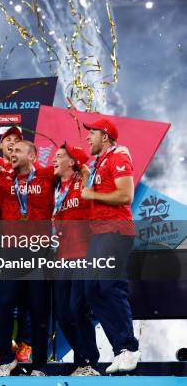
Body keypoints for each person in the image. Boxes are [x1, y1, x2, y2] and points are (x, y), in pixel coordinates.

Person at [0, 140, 55, 376]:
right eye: (10, 150)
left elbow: (75, 167)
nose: (11, 153)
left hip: (40, 253)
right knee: (3, 305)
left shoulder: (48, 175)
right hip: (11, 254)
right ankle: (7, 359)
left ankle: (39, 365)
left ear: (33, 156)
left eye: (18, 150)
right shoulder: (4, 179)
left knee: (39, 311)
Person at [81, 118, 140, 374]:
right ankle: (120, 350)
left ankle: (129, 347)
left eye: (91, 133)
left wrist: (91, 193)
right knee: (93, 291)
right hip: (99, 234)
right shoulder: (99, 162)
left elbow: (126, 195)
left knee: (110, 287)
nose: (87, 138)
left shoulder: (117, 157)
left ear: (105, 136)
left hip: (116, 231)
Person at [51, 143, 100, 376]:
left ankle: (89, 360)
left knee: (76, 310)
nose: (53, 159)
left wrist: (87, 174)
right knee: (62, 314)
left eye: (59, 156)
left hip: (83, 255)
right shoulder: (57, 189)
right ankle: (83, 362)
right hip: (61, 258)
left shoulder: (84, 181)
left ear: (71, 162)